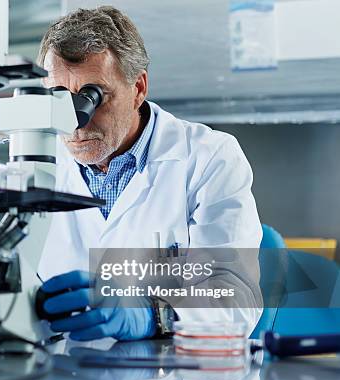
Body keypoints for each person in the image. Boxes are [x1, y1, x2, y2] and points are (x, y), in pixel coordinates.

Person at [37, 6, 263, 341]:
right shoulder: (34, 160)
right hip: (62, 375)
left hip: (167, 378)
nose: (76, 121)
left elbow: (235, 300)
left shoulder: (209, 158)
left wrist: (153, 313)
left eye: (93, 97)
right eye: (60, 98)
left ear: (139, 87)